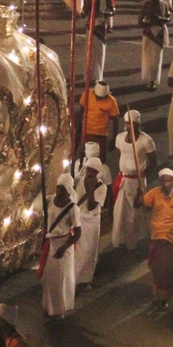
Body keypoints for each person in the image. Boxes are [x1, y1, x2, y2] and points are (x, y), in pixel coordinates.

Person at [138, 169, 173, 309]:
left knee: (169, 271)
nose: (166, 184)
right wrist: (140, 192)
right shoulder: (155, 193)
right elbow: (139, 203)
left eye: (169, 181)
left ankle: (165, 298)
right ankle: (158, 297)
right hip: (156, 237)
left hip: (171, 240)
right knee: (156, 269)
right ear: (160, 181)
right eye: (164, 181)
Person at [113, 110, 156, 251]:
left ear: (138, 124)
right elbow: (121, 154)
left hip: (137, 182)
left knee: (134, 214)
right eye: (126, 123)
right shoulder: (119, 138)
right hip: (123, 180)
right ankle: (120, 240)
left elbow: (153, 162)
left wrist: (141, 178)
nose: (129, 126)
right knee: (120, 212)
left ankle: (132, 244)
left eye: (132, 124)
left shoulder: (146, 140)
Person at [40, 173, 81, 320]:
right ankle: (48, 306)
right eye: (58, 188)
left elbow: (77, 233)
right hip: (50, 244)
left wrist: (64, 248)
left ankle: (59, 310)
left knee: (61, 279)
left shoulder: (73, 208)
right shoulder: (49, 200)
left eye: (63, 189)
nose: (60, 192)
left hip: (64, 245)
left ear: (69, 190)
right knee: (49, 278)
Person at [74, 158, 107, 291]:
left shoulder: (102, 187)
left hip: (92, 221)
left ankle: (85, 280)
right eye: (89, 170)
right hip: (78, 219)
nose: (91, 173)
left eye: (94, 171)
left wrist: (92, 189)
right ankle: (74, 281)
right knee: (78, 252)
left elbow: (92, 205)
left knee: (89, 251)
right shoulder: (78, 180)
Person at [139, 0, 170, 90]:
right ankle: (147, 77)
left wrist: (158, 19)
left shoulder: (163, 5)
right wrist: (145, 23)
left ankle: (152, 80)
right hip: (148, 34)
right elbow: (140, 20)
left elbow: (167, 18)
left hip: (158, 34)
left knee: (156, 59)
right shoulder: (146, 5)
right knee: (147, 57)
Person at [76, 80, 120, 152]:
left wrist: (113, 139)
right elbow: (80, 112)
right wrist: (78, 131)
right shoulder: (87, 94)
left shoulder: (111, 101)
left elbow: (115, 120)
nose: (98, 99)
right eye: (97, 97)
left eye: (101, 97)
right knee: (85, 156)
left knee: (99, 160)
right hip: (86, 132)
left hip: (101, 134)